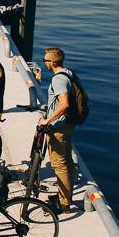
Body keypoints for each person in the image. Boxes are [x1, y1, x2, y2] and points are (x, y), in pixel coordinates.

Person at [38, 47, 78, 213]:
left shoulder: (58, 80)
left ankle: (63, 203)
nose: (44, 63)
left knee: (59, 165)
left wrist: (48, 119)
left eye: (45, 60)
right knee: (67, 162)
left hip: (58, 128)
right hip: (67, 124)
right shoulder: (68, 73)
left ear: (53, 62)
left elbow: (64, 103)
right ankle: (65, 195)